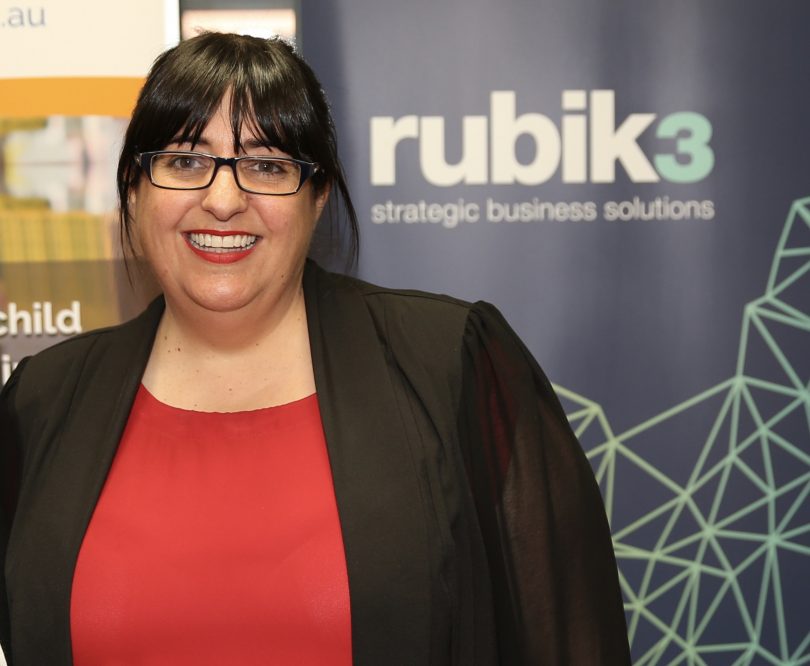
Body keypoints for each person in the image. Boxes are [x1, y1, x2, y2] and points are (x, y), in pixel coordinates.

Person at [0, 32, 631, 666]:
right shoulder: (42, 403)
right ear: (135, 188)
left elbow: (572, 644)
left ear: (318, 194)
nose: (223, 200)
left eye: (268, 165)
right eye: (186, 161)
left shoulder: (451, 366)